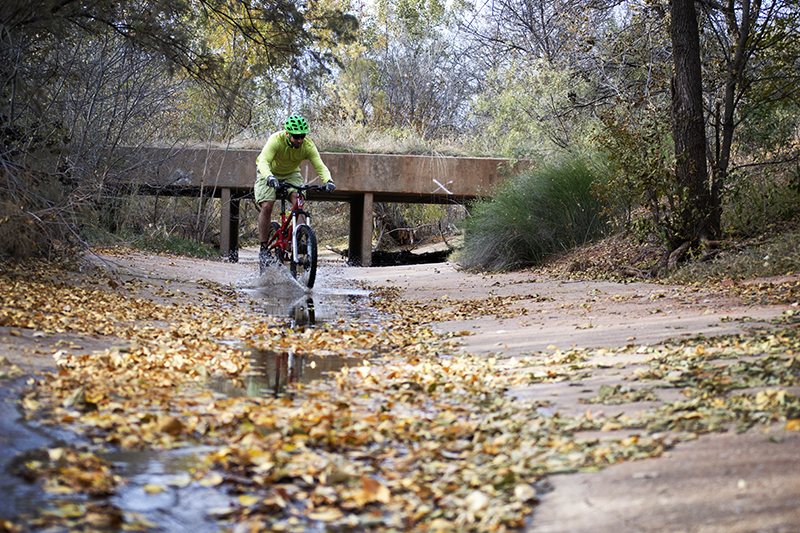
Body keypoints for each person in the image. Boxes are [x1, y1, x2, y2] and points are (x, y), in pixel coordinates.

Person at [254, 115, 335, 271]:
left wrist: (328, 181)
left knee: (298, 200)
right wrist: (269, 177)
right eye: (296, 137)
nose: (300, 140)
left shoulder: (307, 146)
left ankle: (298, 238)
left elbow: (320, 165)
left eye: (302, 136)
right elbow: (263, 161)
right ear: (287, 134)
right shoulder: (275, 140)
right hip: (268, 172)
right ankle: (264, 247)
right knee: (267, 206)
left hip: (291, 173)